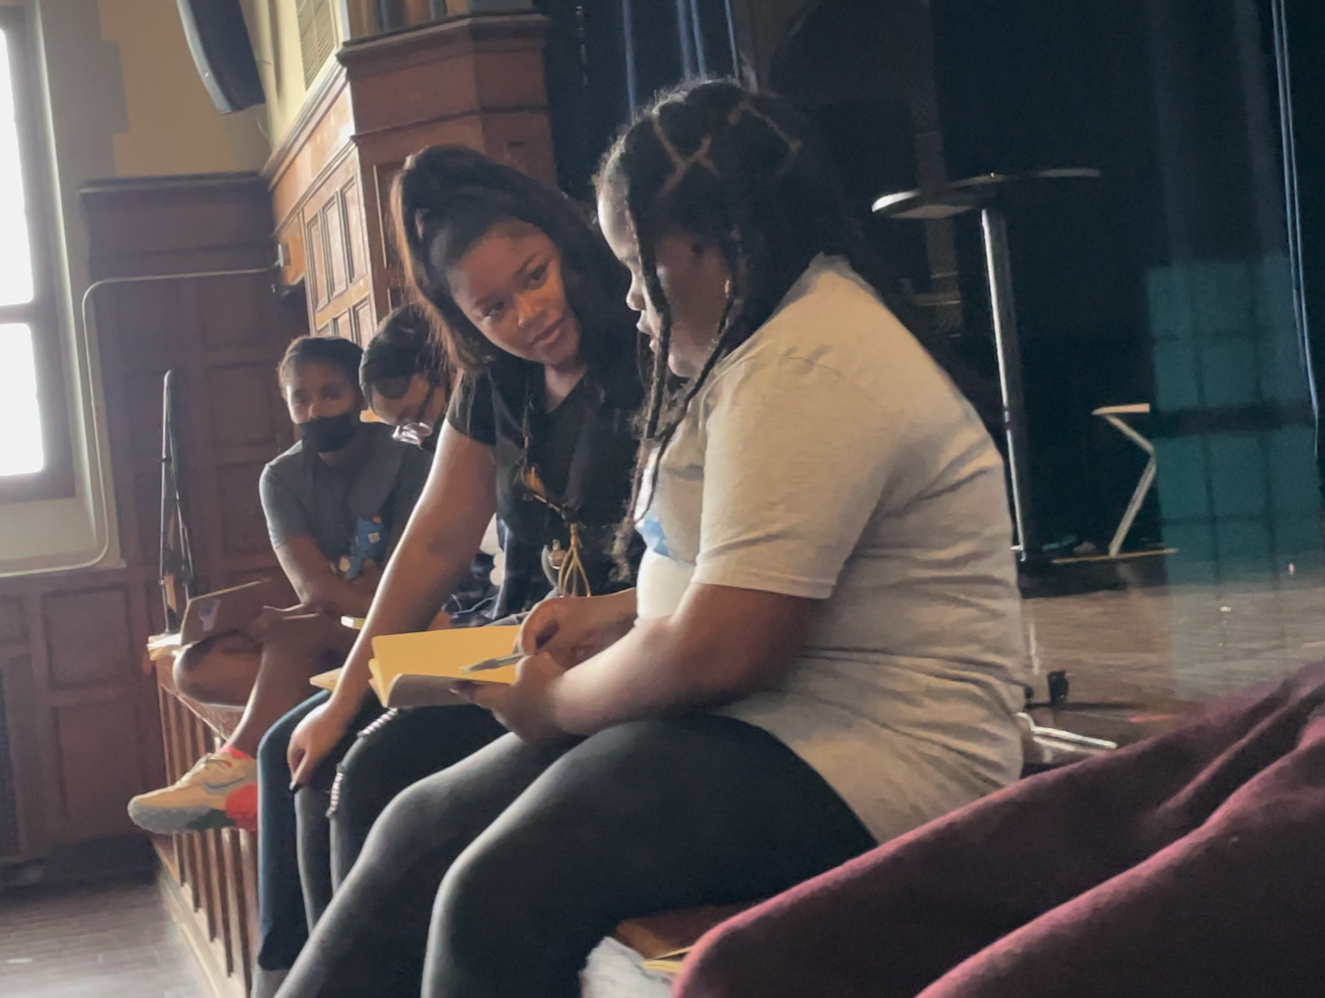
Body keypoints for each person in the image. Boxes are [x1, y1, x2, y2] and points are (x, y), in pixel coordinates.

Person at [272, 81, 1028, 998]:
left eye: (638, 265)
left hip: (866, 750)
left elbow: (724, 648)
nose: (627, 294)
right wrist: (615, 617)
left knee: (493, 894)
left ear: (724, 244)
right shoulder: (752, 341)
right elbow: (737, 579)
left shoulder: (806, 359)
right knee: (416, 830)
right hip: (760, 722)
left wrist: (553, 704)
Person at [250, 146, 646, 995]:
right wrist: (348, 694)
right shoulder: (492, 381)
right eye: (493, 307)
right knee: (339, 756)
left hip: (624, 658)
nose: (529, 315)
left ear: (564, 247)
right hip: (517, 655)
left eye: (536, 278)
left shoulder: (642, 340)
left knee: (387, 786)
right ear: (463, 318)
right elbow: (432, 543)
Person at [127, 335, 431, 836]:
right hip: (345, 629)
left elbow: (409, 587)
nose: (314, 410)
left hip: (409, 629)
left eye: (330, 393)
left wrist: (320, 607)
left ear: (357, 394)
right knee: (196, 669)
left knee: (296, 635)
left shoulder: (408, 462)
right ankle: (296, 717)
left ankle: (239, 772)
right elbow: (316, 587)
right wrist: (315, 607)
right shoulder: (283, 477)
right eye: (300, 398)